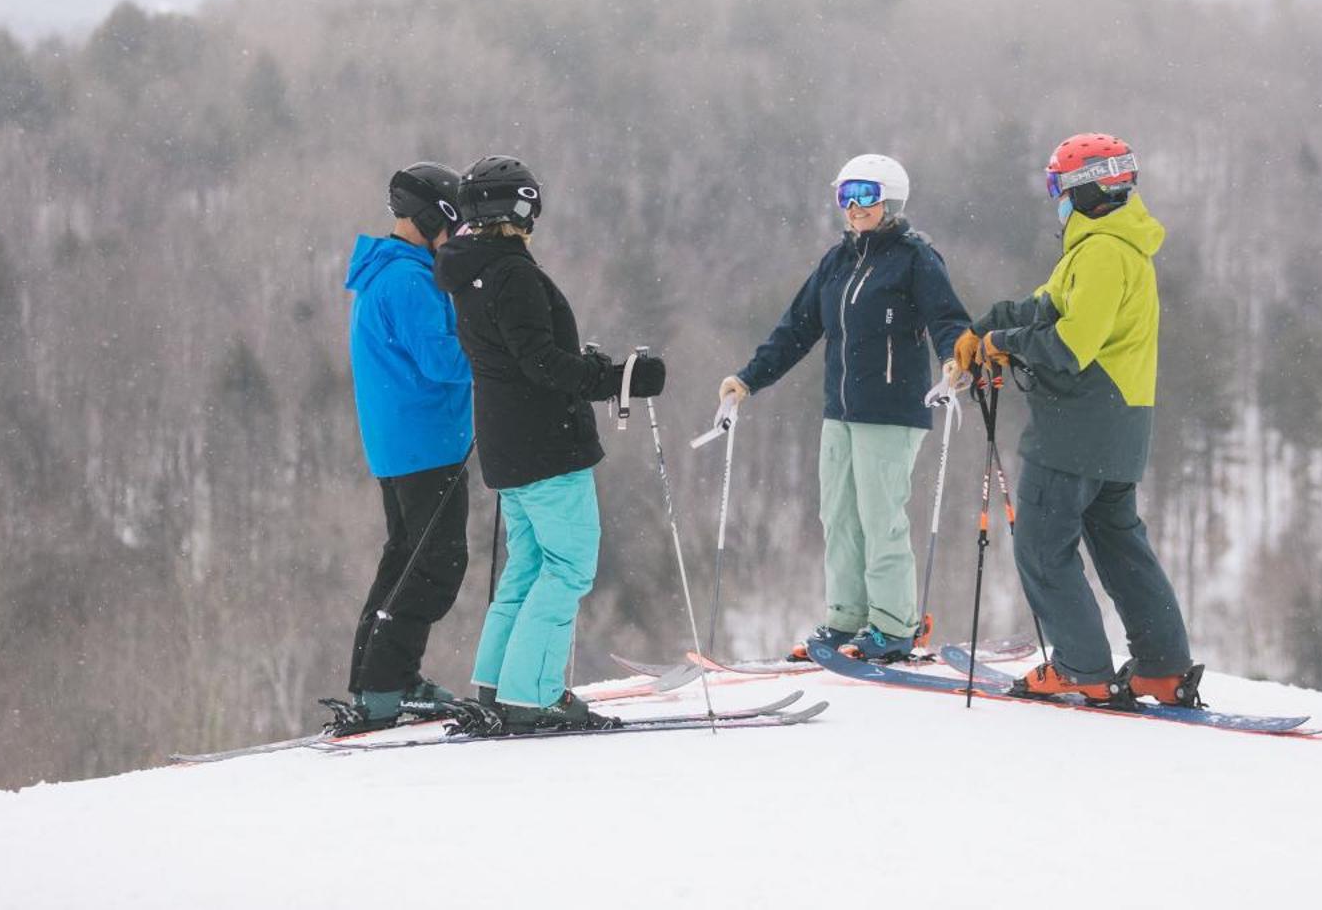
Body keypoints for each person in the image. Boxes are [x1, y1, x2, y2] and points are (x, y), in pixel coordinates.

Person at [951, 133, 1202, 706]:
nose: (1054, 200)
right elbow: (1046, 305)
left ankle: (1081, 667)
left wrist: (1000, 343)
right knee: (1119, 545)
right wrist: (986, 327)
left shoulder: (1100, 253)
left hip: (1077, 430)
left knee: (1041, 546)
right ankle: (1163, 667)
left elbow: (1070, 343)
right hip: (1119, 429)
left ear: (1084, 192)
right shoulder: (1115, 248)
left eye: (1057, 188)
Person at [434, 155, 666, 732]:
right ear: (520, 207)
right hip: (545, 445)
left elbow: (520, 358)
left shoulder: (468, 271)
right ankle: (532, 695)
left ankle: (496, 685)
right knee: (567, 569)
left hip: (507, 443)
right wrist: (616, 378)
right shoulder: (512, 273)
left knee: (529, 567)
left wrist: (585, 366)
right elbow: (540, 364)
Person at [719, 153, 971, 663]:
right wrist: (748, 378)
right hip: (840, 412)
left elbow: (947, 319)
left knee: (880, 518)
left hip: (893, 411)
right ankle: (846, 618)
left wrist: (953, 362)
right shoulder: (837, 261)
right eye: (845, 196)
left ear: (891, 202)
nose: (854, 208)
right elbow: (797, 329)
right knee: (838, 516)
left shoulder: (916, 258)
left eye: (865, 197)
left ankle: (893, 624)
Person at [341, 161, 477, 728]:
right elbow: (443, 360)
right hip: (427, 444)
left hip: (403, 445)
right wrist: (491, 338)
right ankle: (383, 686)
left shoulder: (387, 272)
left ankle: (386, 681)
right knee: (437, 566)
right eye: (457, 225)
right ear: (433, 219)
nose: (461, 237)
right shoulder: (407, 280)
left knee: (404, 560)